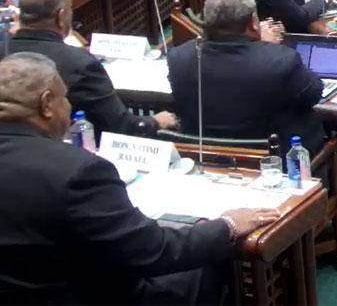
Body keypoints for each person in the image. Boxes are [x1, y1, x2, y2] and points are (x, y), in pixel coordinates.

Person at [0, 52, 277, 304]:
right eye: (65, 98)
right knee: (213, 264)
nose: (69, 107)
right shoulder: (78, 171)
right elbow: (153, 252)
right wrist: (227, 225)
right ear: (46, 104)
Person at [2, 0, 175, 137]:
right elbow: (118, 125)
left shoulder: (4, 49)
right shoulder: (79, 64)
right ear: (61, 16)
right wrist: (154, 122)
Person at [167, 0, 325, 155]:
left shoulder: (178, 58)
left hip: (204, 158)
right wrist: (266, 47)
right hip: (274, 162)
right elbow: (314, 92)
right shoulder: (281, 60)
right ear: (252, 23)